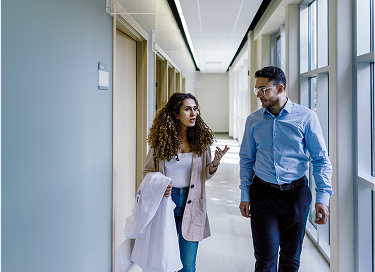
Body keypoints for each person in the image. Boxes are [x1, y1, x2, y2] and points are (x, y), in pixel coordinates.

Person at [239, 66, 333, 272]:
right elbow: (246, 159)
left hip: (296, 195)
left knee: (290, 260)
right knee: (264, 261)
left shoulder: (306, 117)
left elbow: (320, 159)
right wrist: (244, 194)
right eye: (257, 89)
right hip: (262, 195)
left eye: (263, 89)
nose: (259, 95)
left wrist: (322, 198)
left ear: (280, 88)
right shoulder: (253, 121)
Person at [143, 92, 229, 272]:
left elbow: (205, 174)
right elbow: (148, 171)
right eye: (187, 109)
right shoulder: (161, 141)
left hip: (192, 203)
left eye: (195, 109)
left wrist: (215, 163)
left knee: (188, 267)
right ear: (176, 113)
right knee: (165, 262)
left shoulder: (201, 141)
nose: (193, 114)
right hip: (166, 203)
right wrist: (160, 185)